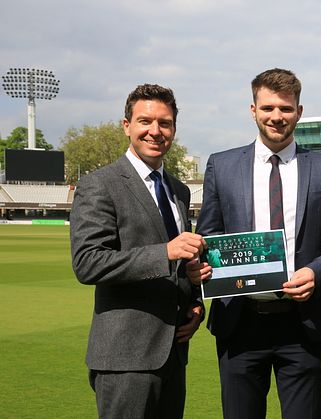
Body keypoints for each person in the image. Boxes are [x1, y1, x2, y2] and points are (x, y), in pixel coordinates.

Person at [187, 68, 321, 419]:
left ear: (299, 111)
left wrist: (316, 272)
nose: (276, 117)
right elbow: (210, 233)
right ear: (253, 110)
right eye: (267, 108)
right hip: (240, 321)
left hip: (304, 323)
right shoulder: (222, 165)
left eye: (285, 108)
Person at [70, 84, 206, 418]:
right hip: (124, 358)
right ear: (126, 125)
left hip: (174, 351)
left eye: (165, 123)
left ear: (174, 129)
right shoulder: (100, 184)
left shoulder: (178, 190)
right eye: (145, 121)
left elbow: (181, 262)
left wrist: (195, 303)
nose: (155, 131)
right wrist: (165, 253)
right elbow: (88, 263)